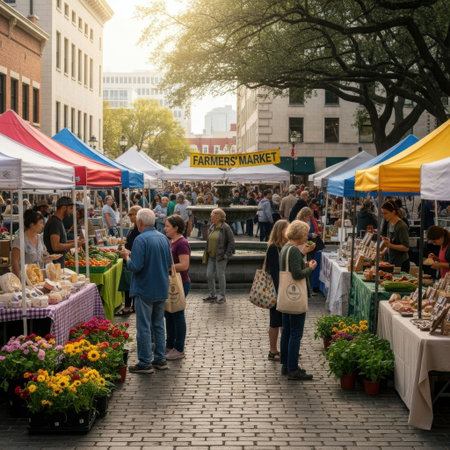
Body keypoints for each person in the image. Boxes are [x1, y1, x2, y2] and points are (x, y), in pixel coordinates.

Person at [119, 209, 172, 374]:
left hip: (145, 288)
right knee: (158, 325)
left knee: (143, 327)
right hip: (161, 287)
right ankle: (160, 358)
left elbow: (135, 266)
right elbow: (169, 264)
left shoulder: (141, 239)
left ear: (140, 222)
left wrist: (127, 257)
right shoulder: (163, 238)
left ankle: (145, 362)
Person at [279, 220, 316, 380]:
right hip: (294, 296)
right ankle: (293, 368)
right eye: (305, 233)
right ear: (300, 234)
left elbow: (292, 265)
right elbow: (297, 274)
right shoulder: (293, 250)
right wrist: (311, 268)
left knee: (287, 330)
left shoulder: (286, 247)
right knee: (296, 333)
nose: (306, 236)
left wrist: (303, 257)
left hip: (285, 296)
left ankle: (286, 365)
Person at [164, 215, 191, 360]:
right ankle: (170, 344)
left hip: (181, 282)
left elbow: (184, 265)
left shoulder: (182, 243)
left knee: (178, 314)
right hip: (171, 282)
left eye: (167, 226)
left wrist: (166, 267)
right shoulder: (171, 241)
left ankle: (179, 348)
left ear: (176, 228)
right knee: (169, 313)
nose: (165, 228)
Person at [265, 220, 289, 362]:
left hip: (283, 289)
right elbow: (274, 272)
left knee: (283, 322)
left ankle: (285, 348)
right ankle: (273, 350)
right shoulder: (274, 248)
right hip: (276, 290)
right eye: (288, 229)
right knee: (275, 321)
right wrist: (279, 292)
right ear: (280, 231)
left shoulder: (285, 246)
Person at [11, 210, 60, 277]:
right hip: (25, 278)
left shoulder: (39, 238)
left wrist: (49, 257)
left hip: (38, 277)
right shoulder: (20, 241)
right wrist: (19, 279)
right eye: (41, 223)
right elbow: (15, 262)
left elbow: (40, 259)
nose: (43, 226)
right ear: (32, 225)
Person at [202, 208, 235, 304]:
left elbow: (231, 242)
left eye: (211, 215)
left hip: (221, 256)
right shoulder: (212, 226)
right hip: (211, 256)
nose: (210, 217)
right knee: (209, 275)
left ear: (217, 217)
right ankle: (212, 295)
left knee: (220, 275)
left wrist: (226, 254)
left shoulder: (225, 227)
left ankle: (222, 295)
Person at [43, 197, 84, 266]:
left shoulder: (58, 221)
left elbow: (61, 242)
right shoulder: (55, 223)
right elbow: (55, 246)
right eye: (70, 208)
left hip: (58, 263)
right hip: (54, 264)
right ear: (63, 208)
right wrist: (74, 244)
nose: (71, 212)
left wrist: (75, 241)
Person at [117, 205, 142, 316]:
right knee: (130, 283)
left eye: (131, 214)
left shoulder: (138, 229)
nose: (129, 216)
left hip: (131, 258)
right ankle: (131, 306)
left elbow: (134, 245)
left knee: (129, 283)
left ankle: (128, 306)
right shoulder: (133, 228)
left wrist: (126, 249)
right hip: (129, 256)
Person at [380, 200, 410, 273]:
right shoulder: (390, 223)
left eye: (386, 213)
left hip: (401, 263)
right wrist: (383, 251)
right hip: (392, 261)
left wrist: (390, 245)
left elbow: (406, 247)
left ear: (393, 212)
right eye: (383, 213)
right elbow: (391, 242)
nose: (384, 216)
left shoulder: (401, 226)